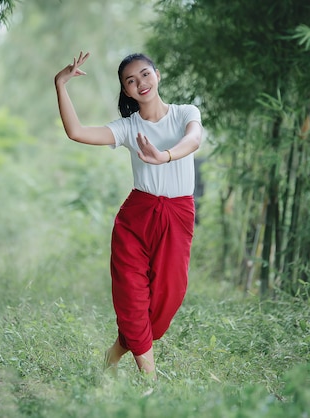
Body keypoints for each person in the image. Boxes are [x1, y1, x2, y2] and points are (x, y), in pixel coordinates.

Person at [54, 51, 203, 377]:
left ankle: (114, 354)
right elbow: (77, 132)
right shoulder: (127, 127)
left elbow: (194, 140)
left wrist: (164, 156)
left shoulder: (185, 113)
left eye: (145, 75)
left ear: (157, 75)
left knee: (167, 299)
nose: (140, 83)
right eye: (130, 81)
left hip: (177, 216)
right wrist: (60, 84)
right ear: (126, 90)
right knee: (132, 297)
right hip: (136, 218)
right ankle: (150, 384)